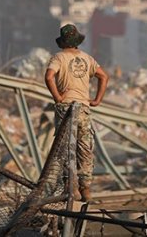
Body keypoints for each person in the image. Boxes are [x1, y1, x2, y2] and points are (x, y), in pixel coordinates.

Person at [44, 24, 108, 202]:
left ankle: (71, 188)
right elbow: (104, 76)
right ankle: (85, 189)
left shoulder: (58, 58)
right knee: (84, 148)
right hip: (83, 109)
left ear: (63, 42)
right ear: (77, 42)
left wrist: (57, 96)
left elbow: (49, 77)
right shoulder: (87, 59)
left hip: (65, 108)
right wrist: (97, 100)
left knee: (65, 148)